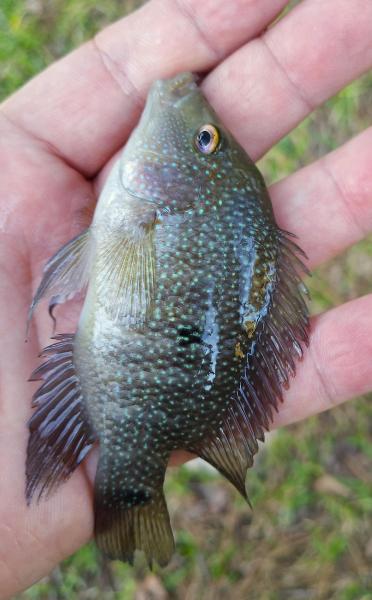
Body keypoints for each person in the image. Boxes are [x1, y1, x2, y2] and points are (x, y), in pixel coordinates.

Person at [0, 0, 371, 595]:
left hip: (120, 383)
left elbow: (83, 262)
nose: (199, 117)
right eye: (208, 137)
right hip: (119, 381)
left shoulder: (156, 212)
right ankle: (126, 510)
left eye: (204, 140)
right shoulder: (149, 213)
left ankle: (127, 502)